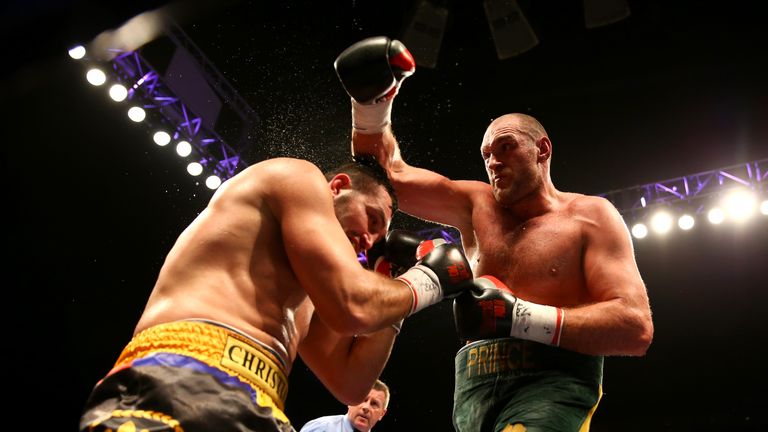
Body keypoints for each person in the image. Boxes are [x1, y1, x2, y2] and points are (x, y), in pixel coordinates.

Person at [335, 37, 654, 432]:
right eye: (486, 154)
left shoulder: (590, 216)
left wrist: (521, 318)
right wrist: (371, 105)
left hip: (554, 382)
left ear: (542, 149)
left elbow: (635, 326)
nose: (493, 162)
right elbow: (386, 174)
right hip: (473, 384)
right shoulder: (476, 204)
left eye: (505, 147)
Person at [79, 156, 474, 432]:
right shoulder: (296, 177)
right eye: (372, 218)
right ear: (338, 187)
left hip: (264, 405)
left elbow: (351, 382)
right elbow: (355, 306)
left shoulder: (314, 288)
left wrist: (394, 296)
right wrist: (426, 281)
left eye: (378, 237)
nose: (369, 240)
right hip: (184, 369)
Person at [299, 380, 391, 432]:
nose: (366, 407)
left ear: (382, 414)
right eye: (362, 399)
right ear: (349, 401)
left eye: (374, 404)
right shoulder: (322, 427)